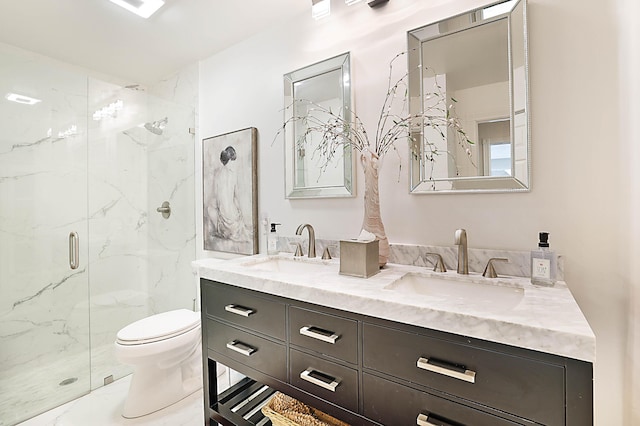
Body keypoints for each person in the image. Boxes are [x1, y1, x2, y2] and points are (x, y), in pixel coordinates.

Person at [207, 145, 251, 242]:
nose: (235, 164)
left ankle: (226, 227)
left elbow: (217, 198)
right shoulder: (233, 175)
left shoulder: (218, 175)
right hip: (231, 216)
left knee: (210, 209)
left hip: (224, 215)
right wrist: (239, 212)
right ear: (230, 160)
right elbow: (236, 197)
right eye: (233, 161)